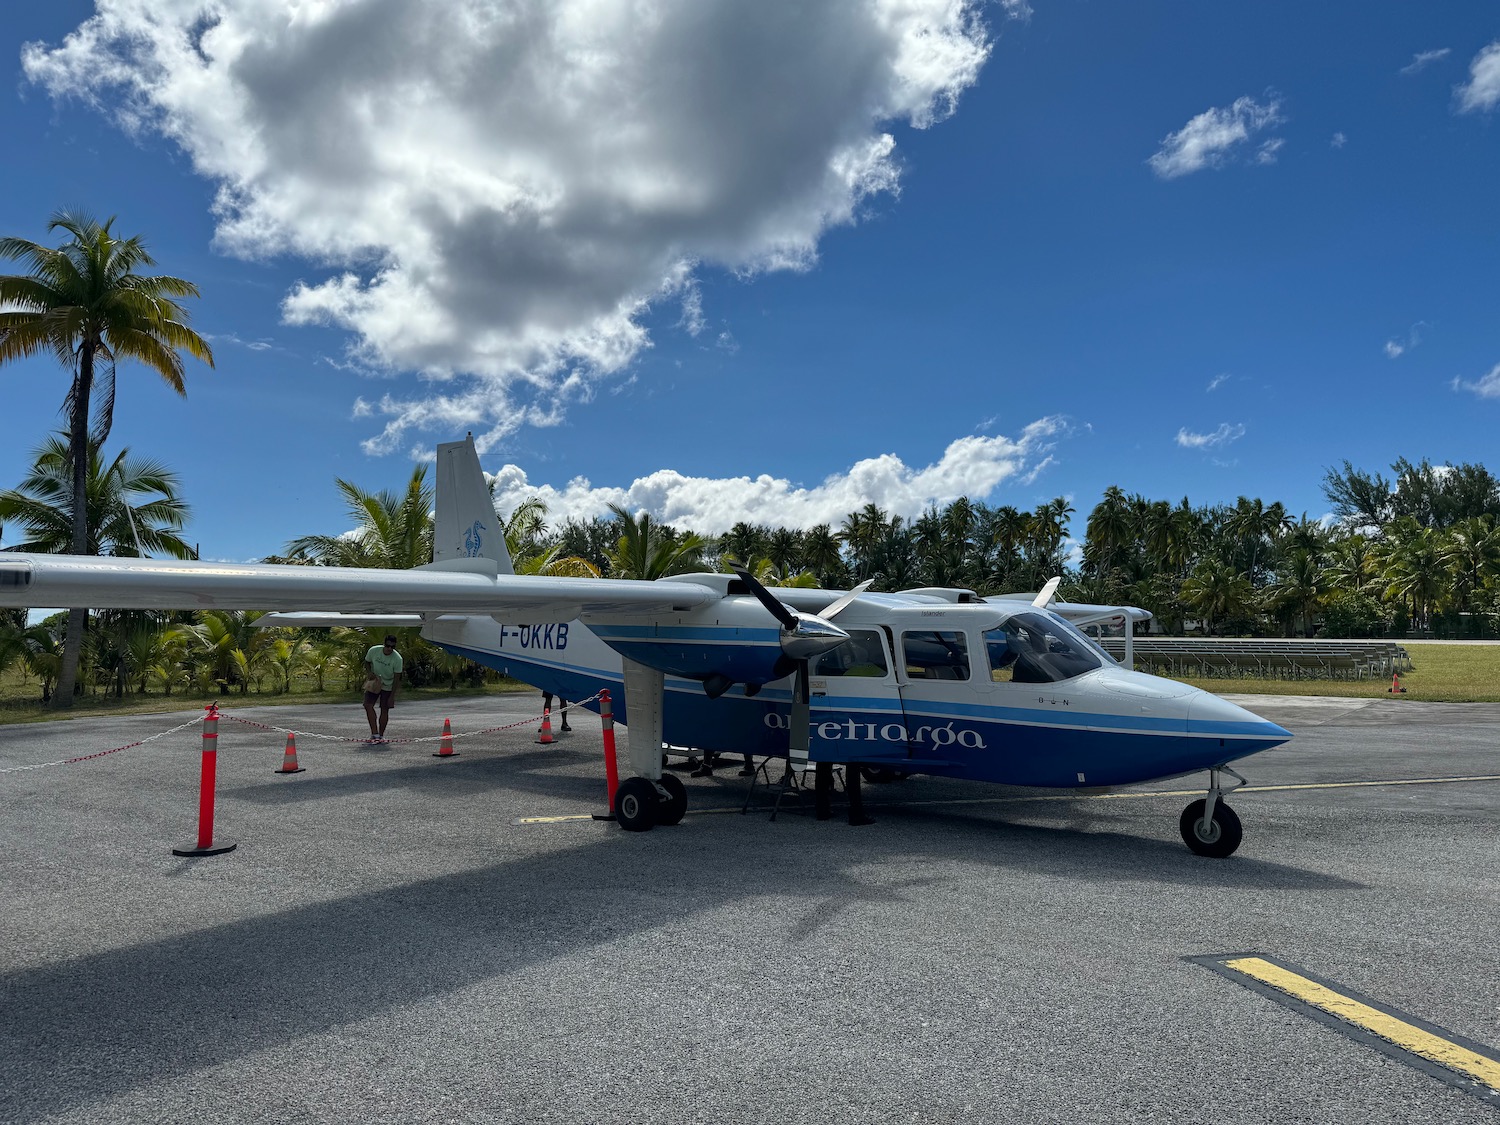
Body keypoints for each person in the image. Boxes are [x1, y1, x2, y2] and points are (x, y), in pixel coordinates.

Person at [363, 634, 403, 743]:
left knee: (384, 709)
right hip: (375, 682)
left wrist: (392, 696)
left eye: (392, 647)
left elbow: (396, 678)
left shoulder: (397, 658)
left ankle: (380, 735)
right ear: (383, 644)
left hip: (388, 684)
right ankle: (374, 733)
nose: (389, 649)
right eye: (387, 645)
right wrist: (369, 672)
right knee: (367, 705)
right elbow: (367, 661)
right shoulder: (374, 650)